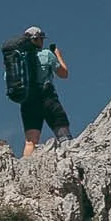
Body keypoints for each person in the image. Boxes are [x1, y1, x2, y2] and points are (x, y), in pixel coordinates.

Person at [15, 26, 71, 157]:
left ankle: (26, 170)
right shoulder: (47, 54)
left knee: (30, 142)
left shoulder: (18, 59)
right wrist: (58, 55)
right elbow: (64, 74)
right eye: (41, 39)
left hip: (28, 102)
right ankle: (72, 166)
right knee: (63, 134)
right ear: (38, 39)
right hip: (48, 99)